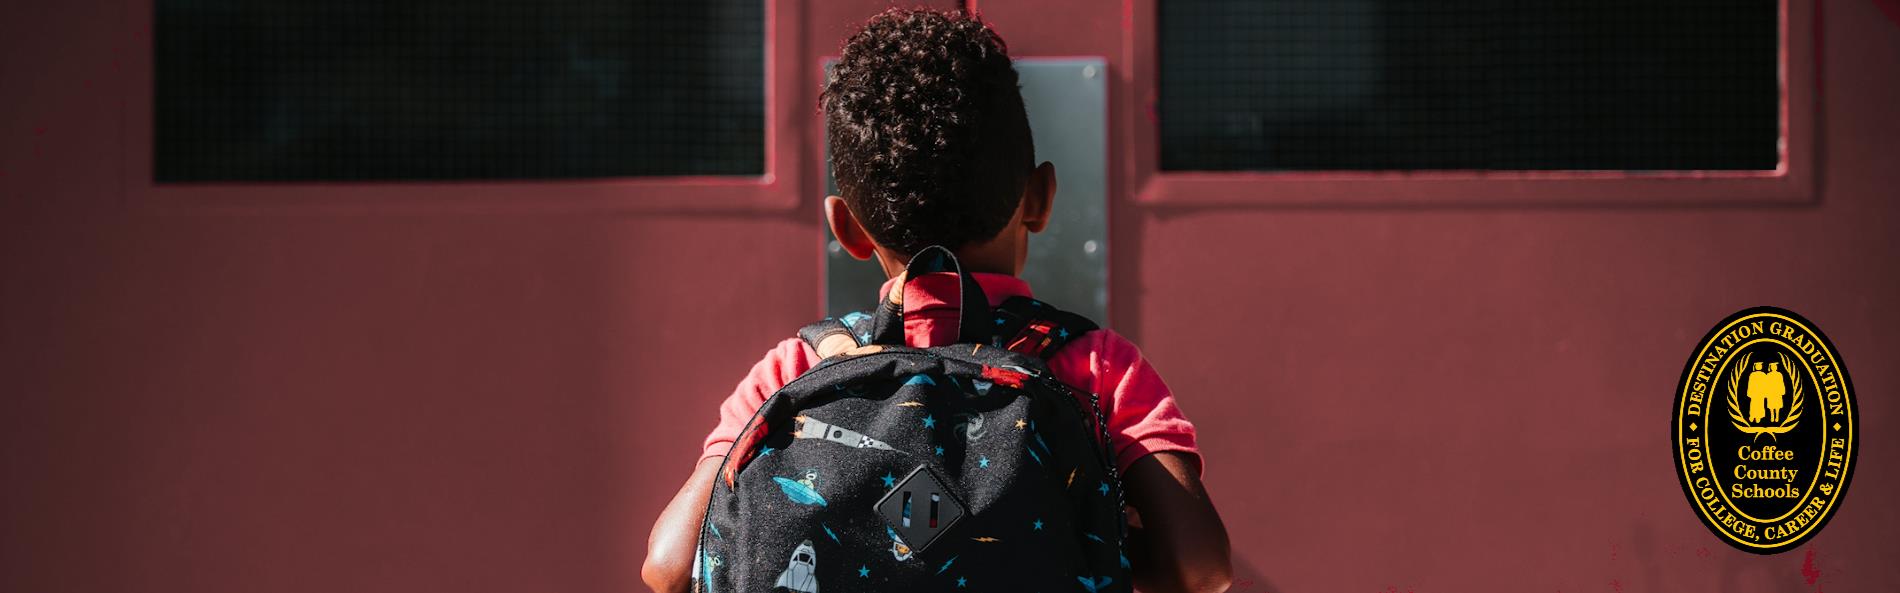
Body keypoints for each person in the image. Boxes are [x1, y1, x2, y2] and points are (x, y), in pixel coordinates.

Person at [641, 9, 1230, 593]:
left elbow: (669, 566)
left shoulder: (798, 368)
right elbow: (1198, 568)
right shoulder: (1094, 367)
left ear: (844, 228)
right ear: (1040, 198)